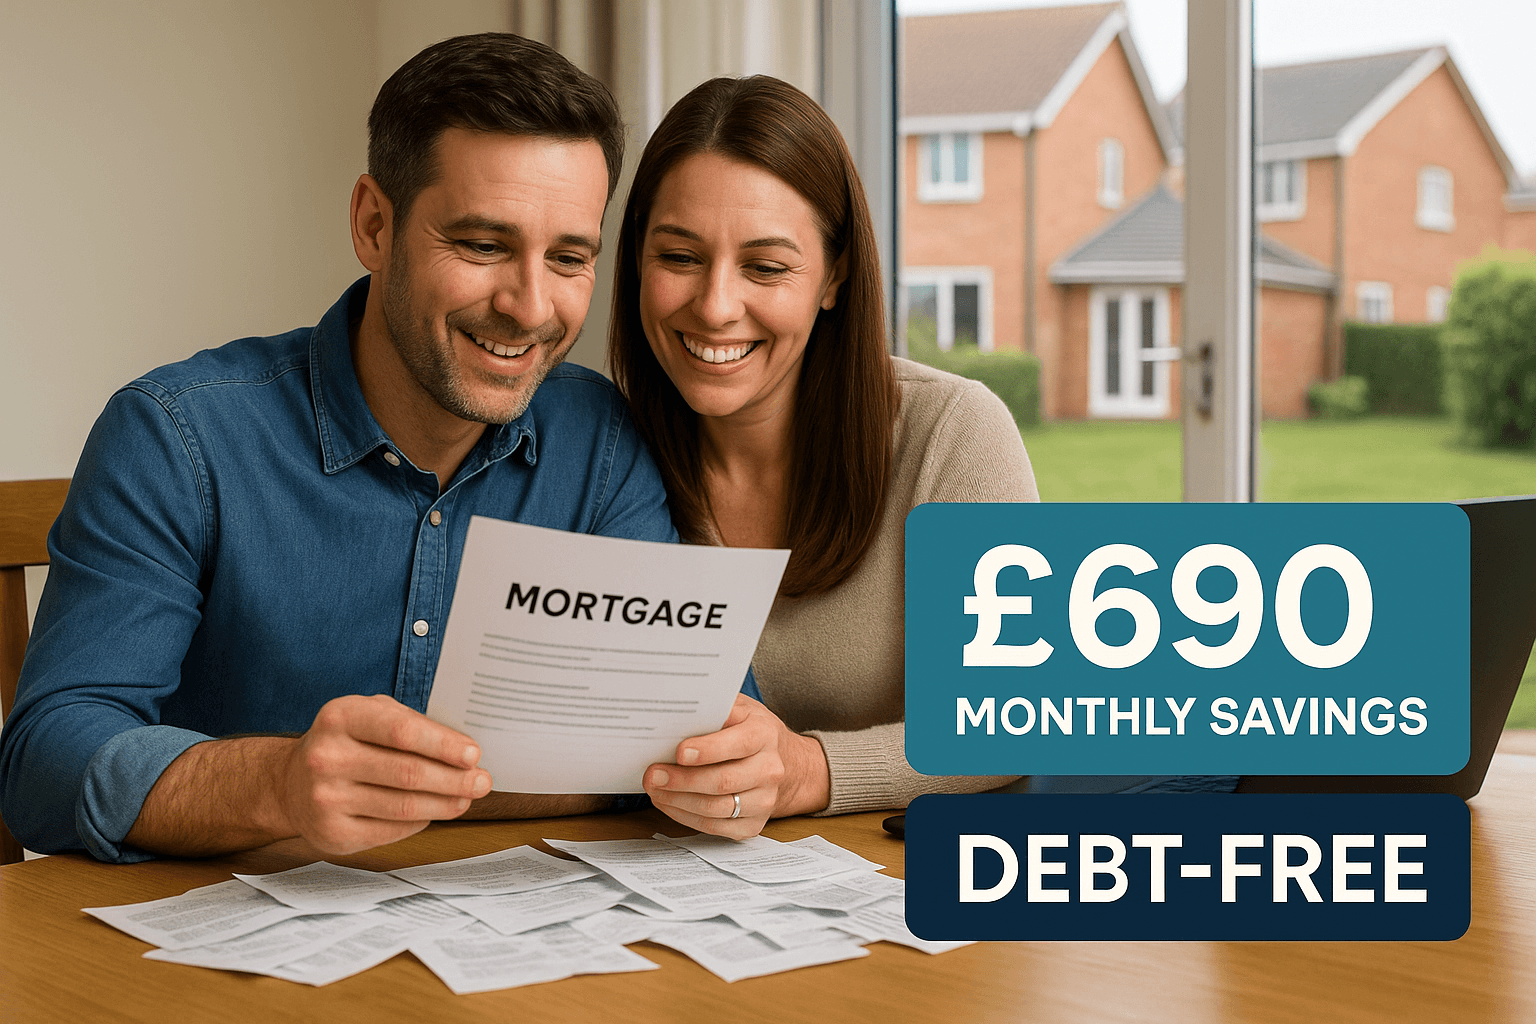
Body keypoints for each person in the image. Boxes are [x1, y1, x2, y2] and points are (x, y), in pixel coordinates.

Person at [0, 34, 756, 864]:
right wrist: (278, 784)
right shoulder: (177, 439)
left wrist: (730, 760)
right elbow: (44, 764)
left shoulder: (601, 442)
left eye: (569, 257)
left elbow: (696, 727)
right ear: (373, 225)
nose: (530, 306)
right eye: (483, 246)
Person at [607, 76, 1040, 839]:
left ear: (834, 276)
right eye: (678, 256)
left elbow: (1010, 723)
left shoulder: (952, 432)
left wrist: (805, 769)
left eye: (766, 267)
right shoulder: (599, 451)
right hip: (653, 873)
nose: (715, 305)